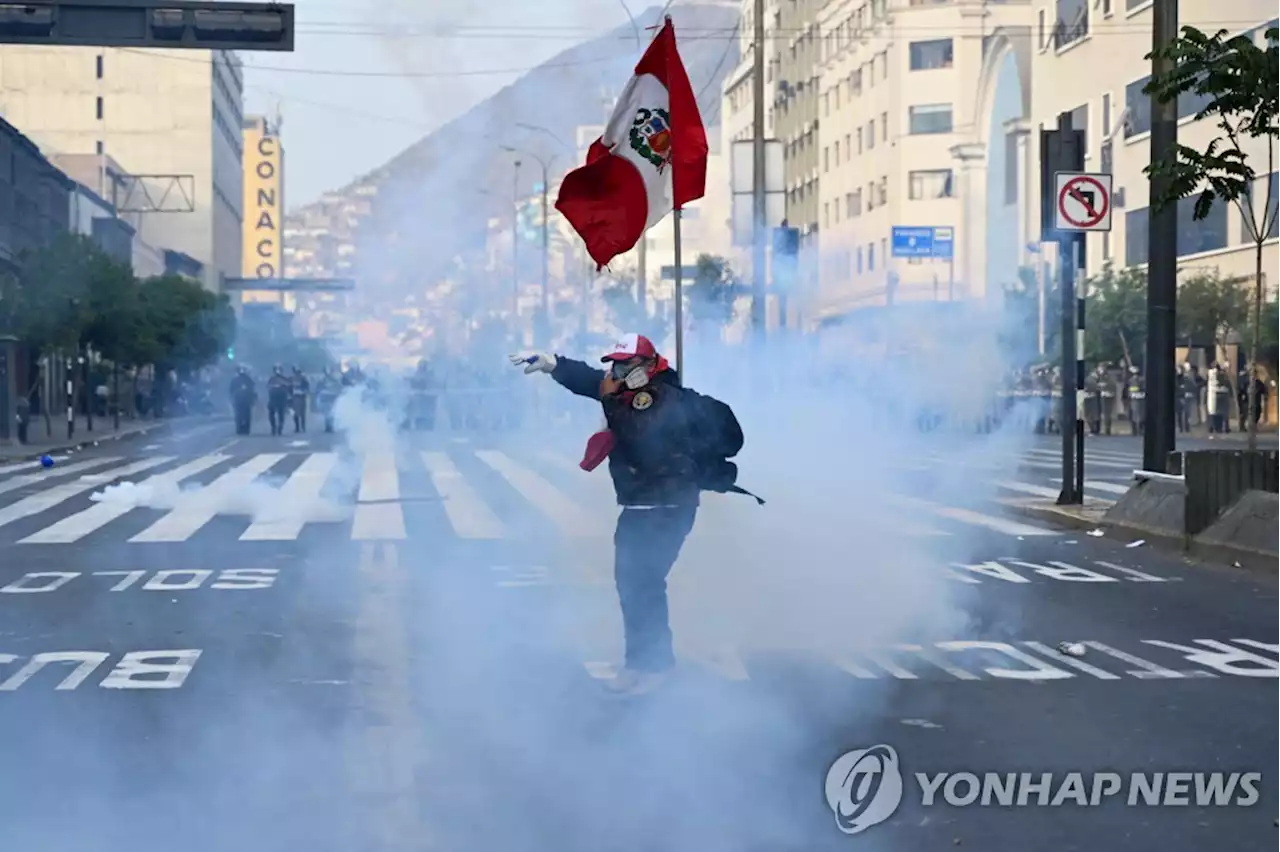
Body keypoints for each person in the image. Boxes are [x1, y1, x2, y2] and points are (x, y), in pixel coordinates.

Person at [509, 333, 759, 697]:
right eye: (615, 363)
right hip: (643, 504)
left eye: (625, 364)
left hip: (667, 505)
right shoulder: (627, 394)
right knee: (634, 584)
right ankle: (643, 662)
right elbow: (590, 381)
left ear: (646, 366)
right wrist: (554, 364)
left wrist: (611, 398)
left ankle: (653, 665)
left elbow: (641, 437)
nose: (616, 371)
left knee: (642, 583)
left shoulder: (657, 400)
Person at [229, 366, 256, 435]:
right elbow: (231, 391)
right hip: (240, 401)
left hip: (245, 401)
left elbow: (252, 390)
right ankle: (242, 429)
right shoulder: (236, 380)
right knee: (240, 415)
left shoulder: (248, 380)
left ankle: (243, 429)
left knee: (244, 415)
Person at [266, 365, 291, 437]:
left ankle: (280, 427)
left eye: (279, 369)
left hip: (282, 399)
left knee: (281, 413)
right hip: (273, 399)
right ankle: (273, 427)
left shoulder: (285, 379)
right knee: (271, 413)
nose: (277, 371)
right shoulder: (271, 379)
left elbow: (289, 386)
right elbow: (268, 386)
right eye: (276, 370)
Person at [291, 366, 311, 433]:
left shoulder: (303, 379)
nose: (297, 374)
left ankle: (303, 427)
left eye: (298, 372)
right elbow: (289, 388)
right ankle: (297, 427)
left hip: (302, 397)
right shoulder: (292, 379)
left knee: (302, 414)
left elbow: (307, 387)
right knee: (295, 414)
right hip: (295, 397)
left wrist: (305, 392)